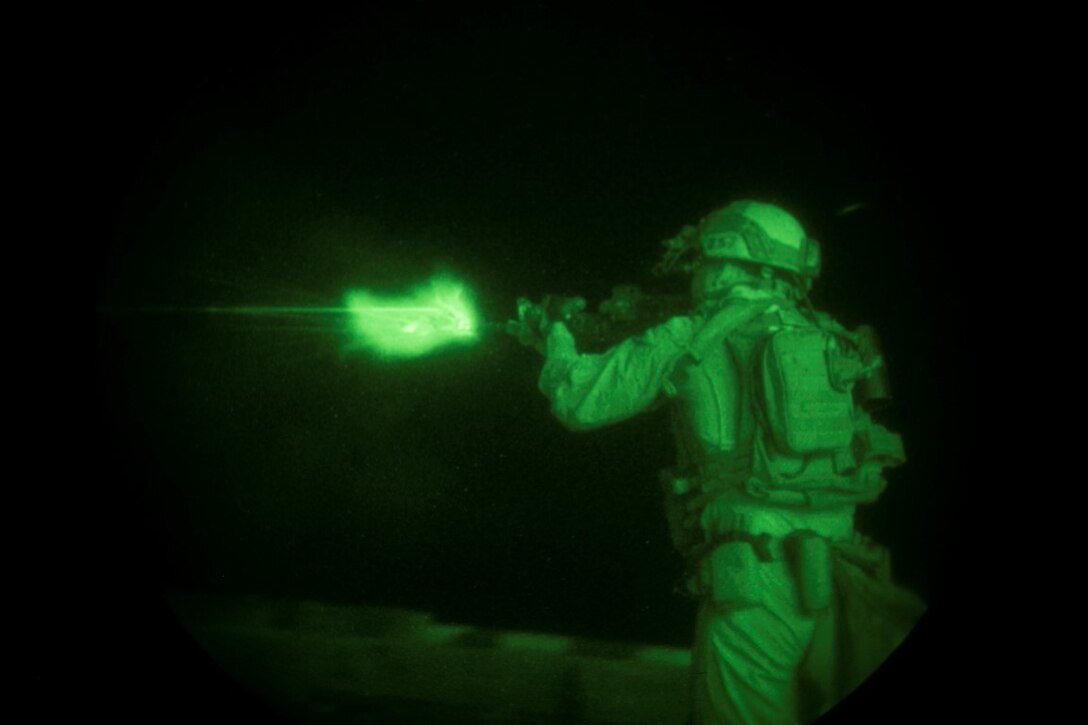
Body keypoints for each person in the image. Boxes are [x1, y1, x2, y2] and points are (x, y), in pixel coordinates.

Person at [521, 201, 926, 724]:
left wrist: (553, 337)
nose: (696, 275)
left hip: (755, 583)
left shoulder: (698, 333)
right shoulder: (829, 337)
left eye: (703, 263)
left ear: (726, 257)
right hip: (835, 576)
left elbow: (580, 400)